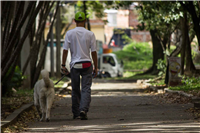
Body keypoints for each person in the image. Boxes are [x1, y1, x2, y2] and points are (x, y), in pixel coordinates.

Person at [61, 11, 98, 120]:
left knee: (75, 89)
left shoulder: (69, 33)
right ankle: (83, 109)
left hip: (75, 66)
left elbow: (65, 50)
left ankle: (76, 113)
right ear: (85, 21)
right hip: (87, 64)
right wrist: (96, 66)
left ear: (75, 21)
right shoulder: (90, 34)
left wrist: (63, 65)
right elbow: (94, 52)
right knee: (86, 88)